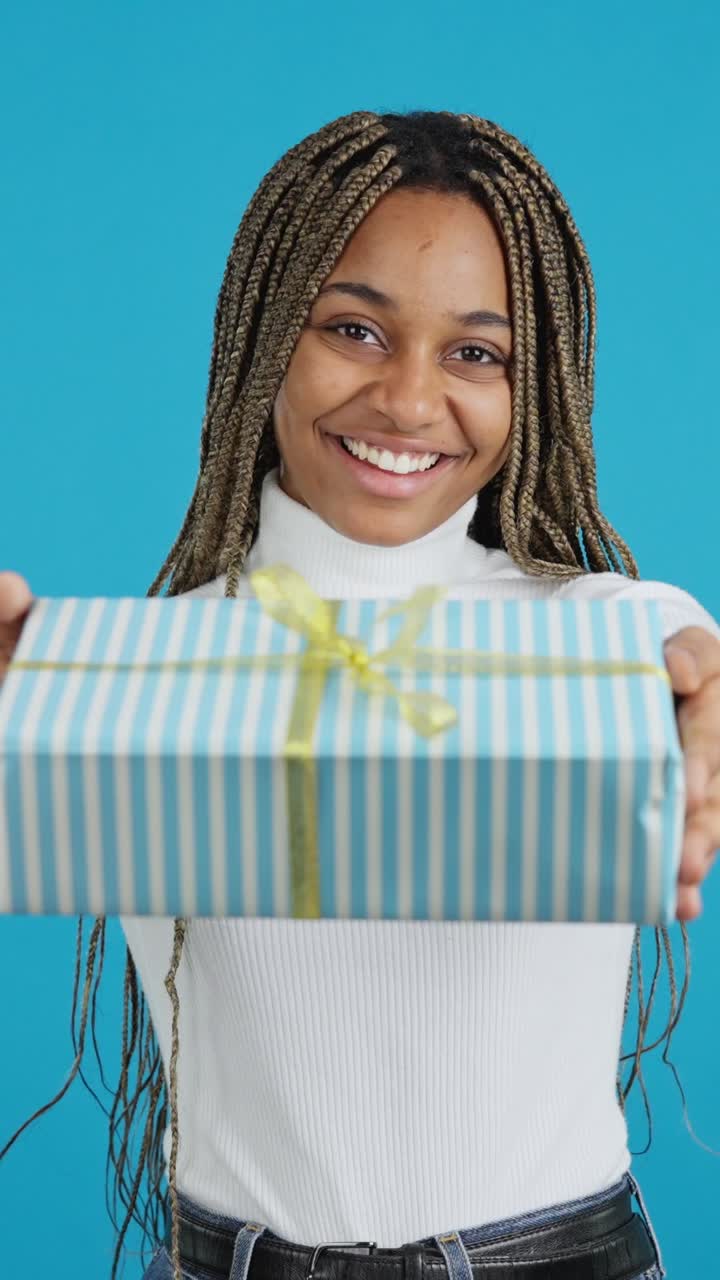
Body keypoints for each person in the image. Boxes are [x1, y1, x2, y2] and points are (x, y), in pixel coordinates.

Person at [2, 109, 718, 1280]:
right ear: (264, 336)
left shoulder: (606, 635)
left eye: (475, 354)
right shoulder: (133, 673)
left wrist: (697, 705)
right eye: (354, 329)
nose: (408, 398)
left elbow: (688, 659)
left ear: (532, 384)